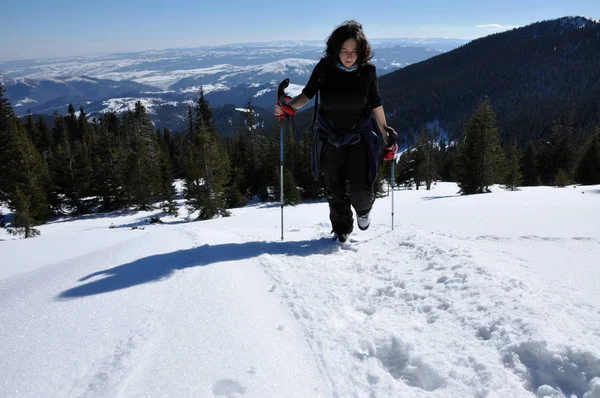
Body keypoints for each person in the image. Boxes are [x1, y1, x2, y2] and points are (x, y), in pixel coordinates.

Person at [275, 20, 398, 243]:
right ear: (335, 49)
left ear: (361, 51)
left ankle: (363, 211)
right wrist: (289, 106)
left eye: (354, 51)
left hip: (360, 135)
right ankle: (341, 231)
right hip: (329, 135)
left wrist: (387, 136)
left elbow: (375, 103)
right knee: (335, 188)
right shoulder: (324, 68)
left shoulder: (367, 71)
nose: (349, 56)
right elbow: (307, 94)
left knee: (360, 190)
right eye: (344, 50)